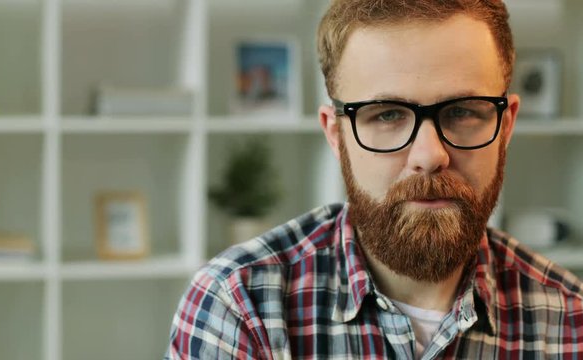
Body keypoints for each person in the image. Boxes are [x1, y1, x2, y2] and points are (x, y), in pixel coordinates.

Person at [165, 0, 583, 358]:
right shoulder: (239, 306)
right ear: (335, 133)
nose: (429, 156)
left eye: (463, 111)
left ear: (506, 125)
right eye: (387, 115)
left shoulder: (570, 321)